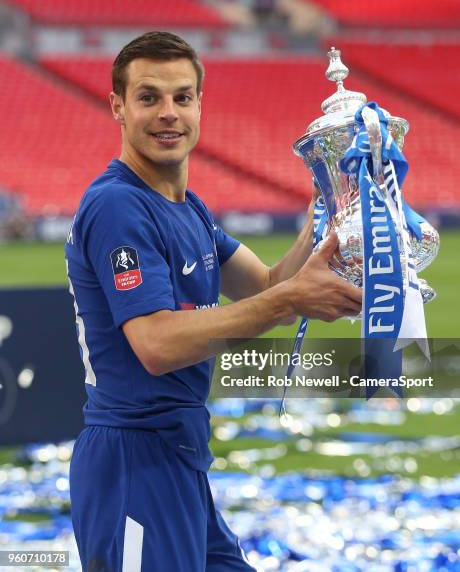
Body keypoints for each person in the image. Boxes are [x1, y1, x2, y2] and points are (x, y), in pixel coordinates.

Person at [65, 31, 362, 572]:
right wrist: (292, 298)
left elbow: (268, 283)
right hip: (134, 463)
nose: (168, 113)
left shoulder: (189, 208)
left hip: (177, 459)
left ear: (200, 105)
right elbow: (155, 344)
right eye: (148, 97)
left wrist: (331, 210)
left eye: (182, 97)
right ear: (118, 107)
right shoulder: (117, 206)